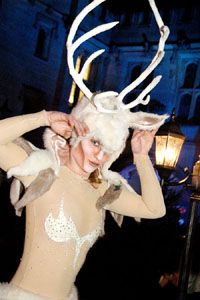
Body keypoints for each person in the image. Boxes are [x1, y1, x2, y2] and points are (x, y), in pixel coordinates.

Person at [0, 1, 170, 299]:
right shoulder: (44, 168)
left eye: (109, 150)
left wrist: (142, 156)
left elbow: (154, 210)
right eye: (95, 142)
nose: (100, 156)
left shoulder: (102, 189)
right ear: (78, 131)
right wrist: (43, 117)